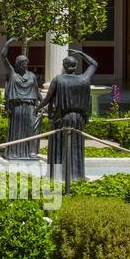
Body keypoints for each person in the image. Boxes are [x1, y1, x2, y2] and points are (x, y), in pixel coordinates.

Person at [37, 49, 98, 183]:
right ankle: (76, 175)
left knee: (59, 146)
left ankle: (57, 176)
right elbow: (94, 64)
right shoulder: (84, 79)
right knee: (76, 146)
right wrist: (81, 54)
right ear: (75, 66)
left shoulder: (58, 79)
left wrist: (37, 108)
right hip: (78, 118)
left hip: (62, 118)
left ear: (64, 66)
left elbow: (47, 99)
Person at [0, 37, 41, 161]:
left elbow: (37, 91)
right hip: (17, 106)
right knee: (17, 129)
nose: (24, 65)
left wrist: (43, 104)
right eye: (22, 63)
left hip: (30, 106)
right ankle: (14, 152)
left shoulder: (32, 76)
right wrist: (8, 43)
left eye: (26, 63)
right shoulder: (13, 74)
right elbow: (3, 57)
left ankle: (30, 152)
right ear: (17, 64)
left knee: (31, 128)